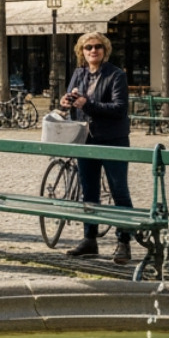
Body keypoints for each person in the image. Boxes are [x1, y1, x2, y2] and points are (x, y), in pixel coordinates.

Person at [60, 31, 134, 265]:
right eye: (88, 47)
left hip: (113, 140)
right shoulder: (79, 74)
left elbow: (119, 109)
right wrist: (66, 103)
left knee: (119, 190)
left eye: (98, 47)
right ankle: (89, 238)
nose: (93, 50)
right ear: (81, 52)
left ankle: (124, 241)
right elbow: (73, 103)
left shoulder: (116, 75)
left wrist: (87, 104)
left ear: (105, 50)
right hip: (86, 139)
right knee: (89, 191)